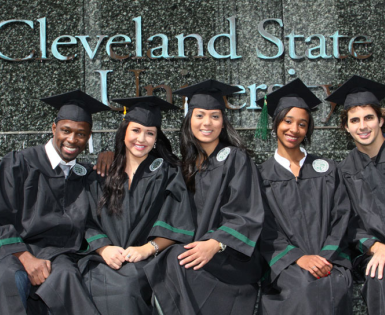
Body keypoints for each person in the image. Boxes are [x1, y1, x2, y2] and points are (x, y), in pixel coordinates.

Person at [142, 79, 265, 315]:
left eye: (215, 116)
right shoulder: (188, 165)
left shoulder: (236, 158)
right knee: (167, 259)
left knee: (174, 259)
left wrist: (215, 243)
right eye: (199, 115)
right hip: (198, 252)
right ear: (189, 121)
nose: (207, 122)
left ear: (223, 123)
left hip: (230, 255)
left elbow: (246, 212)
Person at [78, 96, 195, 315]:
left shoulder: (168, 173)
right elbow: (86, 220)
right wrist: (103, 248)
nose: (142, 138)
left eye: (150, 133)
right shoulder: (102, 174)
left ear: (156, 138)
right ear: (124, 133)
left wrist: (146, 249)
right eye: (136, 130)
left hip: (146, 262)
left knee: (127, 287)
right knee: (84, 282)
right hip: (103, 259)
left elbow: (178, 221)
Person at [0, 90, 109, 315]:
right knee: (10, 278)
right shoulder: (18, 164)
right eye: (66, 131)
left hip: (60, 255)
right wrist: (24, 257)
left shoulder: (86, 174)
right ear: (53, 129)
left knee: (68, 280)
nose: (72, 139)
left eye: (81, 134)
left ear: (89, 137)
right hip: (15, 249)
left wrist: (114, 153)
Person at [255, 78, 353, 314]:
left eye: (302, 124)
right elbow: (264, 227)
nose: (294, 130)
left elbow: (342, 216)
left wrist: (324, 256)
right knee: (302, 287)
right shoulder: (261, 175)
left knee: (328, 283)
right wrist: (297, 257)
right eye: (288, 121)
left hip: (331, 258)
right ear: (276, 123)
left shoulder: (326, 169)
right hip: (284, 263)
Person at [326, 75, 385, 315]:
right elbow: (346, 223)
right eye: (354, 120)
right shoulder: (344, 172)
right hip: (381, 253)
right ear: (346, 127)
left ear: (381, 120)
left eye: (369, 117)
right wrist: (375, 246)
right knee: (379, 273)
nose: (362, 126)